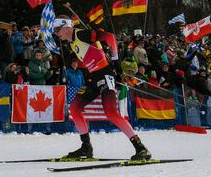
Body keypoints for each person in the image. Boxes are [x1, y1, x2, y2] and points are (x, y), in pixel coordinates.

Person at [53, 16, 151, 160]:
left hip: (105, 74)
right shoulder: (73, 43)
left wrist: (115, 60)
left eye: (57, 30)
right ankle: (86, 147)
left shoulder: (80, 34)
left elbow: (110, 37)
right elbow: (87, 59)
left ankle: (140, 148)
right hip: (93, 78)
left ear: (66, 26)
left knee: (111, 112)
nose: (56, 34)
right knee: (74, 108)